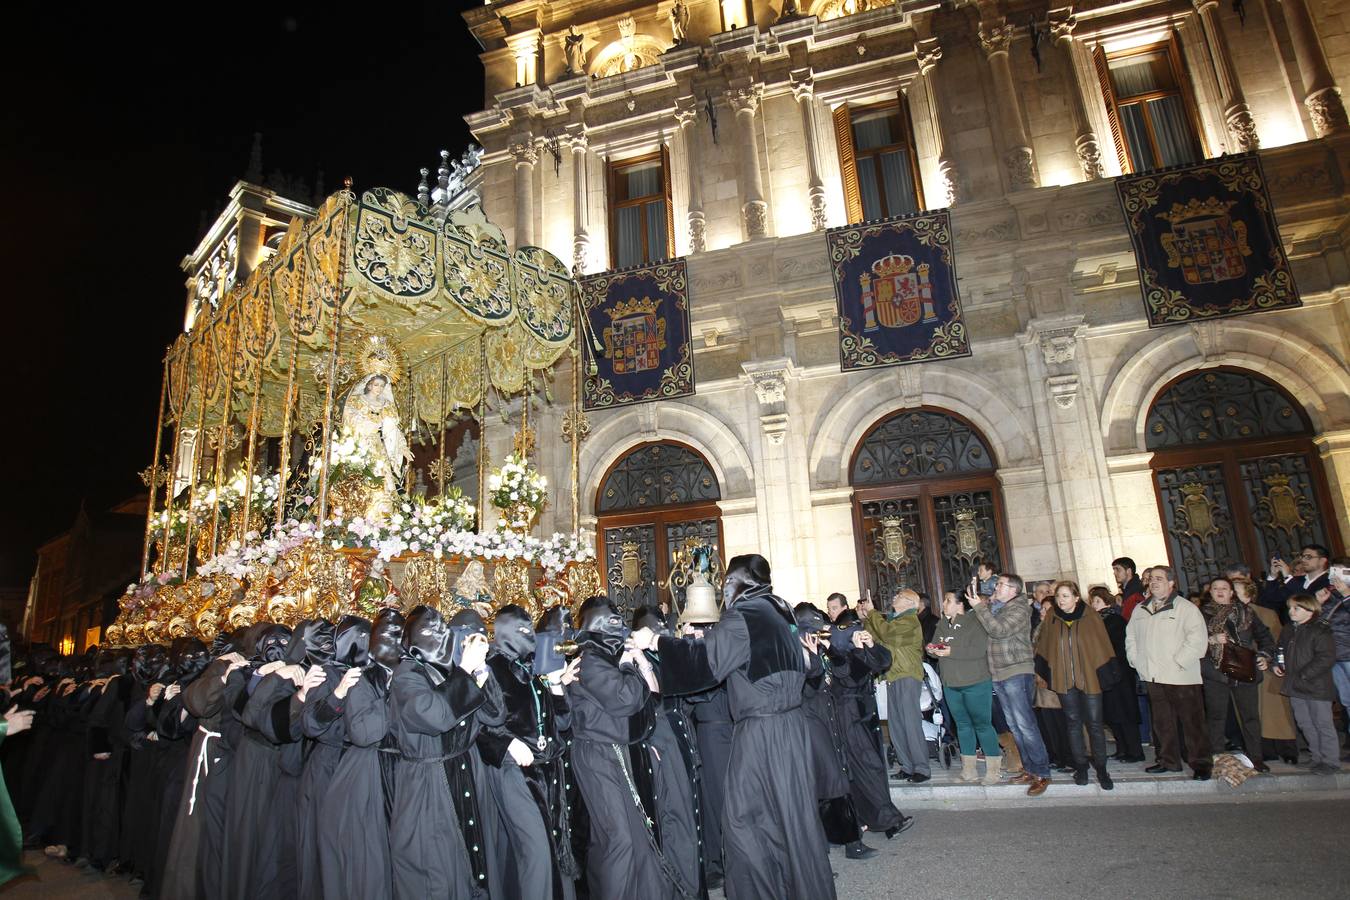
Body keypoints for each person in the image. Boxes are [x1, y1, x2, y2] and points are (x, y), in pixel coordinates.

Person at [631, 554, 837, 900]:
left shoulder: (744, 615)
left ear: (741, 582)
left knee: (744, 820)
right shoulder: (780, 609)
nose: (724, 588)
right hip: (791, 727)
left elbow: (705, 665)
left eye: (728, 581)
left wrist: (655, 642)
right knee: (791, 819)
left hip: (762, 733)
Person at [388, 604, 498, 900]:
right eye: (427, 631)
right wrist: (463, 673)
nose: (436, 637)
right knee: (436, 871)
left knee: (473, 865)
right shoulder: (406, 675)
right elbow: (434, 716)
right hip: (427, 783)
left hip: (464, 771)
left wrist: (480, 672)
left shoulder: (446, 673)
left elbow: (494, 716)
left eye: (440, 630)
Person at [318, 608, 403, 900]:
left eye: (400, 634)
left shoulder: (412, 676)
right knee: (369, 865)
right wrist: (392, 693)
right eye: (386, 634)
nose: (394, 641)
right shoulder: (362, 680)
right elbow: (364, 733)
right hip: (367, 776)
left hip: (404, 775)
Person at [794, 604, 874, 861]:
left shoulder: (818, 648)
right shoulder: (796, 653)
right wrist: (812, 655)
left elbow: (843, 673)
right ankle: (851, 842)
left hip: (829, 719)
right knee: (832, 781)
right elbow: (811, 684)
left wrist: (831, 651)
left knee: (833, 779)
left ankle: (837, 838)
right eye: (813, 631)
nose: (817, 635)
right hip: (811, 723)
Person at [966, 574, 1052, 796]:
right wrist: (984, 605)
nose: (997, 587)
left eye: (1002, 584)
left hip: (1016, 670)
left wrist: (980, 608)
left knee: (1025, 724)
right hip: (999, 672)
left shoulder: (1020, 608)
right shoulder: (997, 607)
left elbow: (999, 630)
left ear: (1014, 590)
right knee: (1014, 725)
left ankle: (1042, 772)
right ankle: (1029, 768)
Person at [826, 610, 908, 837]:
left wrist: (871, 645)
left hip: (864, 714)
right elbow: (852, 678)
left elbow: (884, 661)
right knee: (867, 766)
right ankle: (888, 820)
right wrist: (860, 653)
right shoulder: (835, 654)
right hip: (848, 716)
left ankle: (873, 818)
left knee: (872, 767)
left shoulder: (854, 648)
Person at [1126, 566, 1212, 780]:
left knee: (1192, 722)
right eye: (1152, 579)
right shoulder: (1141, 609)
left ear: (1172, 583)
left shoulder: (1185, 608)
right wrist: (1136, 660)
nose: (1154, 582)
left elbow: (1197, 640)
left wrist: (1179, 662)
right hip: (1153, 675)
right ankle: (1168, 760)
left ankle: (1200, 763)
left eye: (1159, 578)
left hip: (1181, 675)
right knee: (1162, 722)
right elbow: (1131, 638)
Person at [1035, 582, 1118, 789]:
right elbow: (1044, 647)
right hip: (1065, 680)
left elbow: (1102, 646)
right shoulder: (1052, 619)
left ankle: (1101, 768)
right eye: (1058, 597)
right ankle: (1081, 767)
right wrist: (1048, 673)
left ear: (1076, 597)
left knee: (1095, 725)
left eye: (1065, 596)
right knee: (1072, 723)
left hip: (1089, 678)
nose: (1060, 600)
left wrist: (1104, 673)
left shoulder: (1091, 617)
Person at [1199, 577, 1275, 771]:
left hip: (1245, 670)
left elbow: (1265, 637)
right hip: (1215, 672)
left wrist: (1264, 656)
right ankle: (1216, 755)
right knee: (1216, 716)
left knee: (1250, 716)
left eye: (1224, 588)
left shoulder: (1247, 612)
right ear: (1211, 592)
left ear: (1232, 592)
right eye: (1215, 588)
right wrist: (1211, 639)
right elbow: (1191, 640)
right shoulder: (1201, 614)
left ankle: (1256, 758)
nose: (1219, 591)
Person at [927, 590, 1001, 784]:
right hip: (951, 683)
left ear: (960, 604)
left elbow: (978, 650)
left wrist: (950, 650)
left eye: (948, 600)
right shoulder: (943, 624)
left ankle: (993, 770)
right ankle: (969, 769)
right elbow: (936, 648)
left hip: (975, 682)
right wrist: (932, 649)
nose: (943, 603)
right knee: (962, 725)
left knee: (982, 725)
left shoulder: (975, 621)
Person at [863, 588, 929, 783]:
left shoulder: (910, 621)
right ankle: (907, 766)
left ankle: (922, 768)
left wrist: (874, 613)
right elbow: (876, 635)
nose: (894, 598)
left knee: (910, 723)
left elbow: (888, 634)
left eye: (898, 596)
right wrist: (867, 617)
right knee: (896, 724)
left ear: (909, 602)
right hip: (893, 675)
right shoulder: (894, 620)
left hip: (907, 676)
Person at [1232, 576, 1299, 764]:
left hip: (1266, 668)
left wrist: (1270, 660)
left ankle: (1287, 750)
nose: (1233, 594)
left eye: (1236, 590)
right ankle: (1262, 749)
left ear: (1249, 593)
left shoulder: (1265, 613)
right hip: (1242, 668)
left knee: (1276, 711)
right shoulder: (1228, 614)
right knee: (1250, 712)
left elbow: (1279, 641)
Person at [1276, 593, 1341, 774]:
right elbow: (1280, 649)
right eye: (1290, 608)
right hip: (1296, 686)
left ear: (1310, 610)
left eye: (1296, 608)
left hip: (1316, 686)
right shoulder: (1289, 629)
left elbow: (1326, 657)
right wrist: (1277, 665)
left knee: (1322, 724)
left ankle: (1330, 761)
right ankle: (1317, 757)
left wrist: (1303, 675)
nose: (1291, 611)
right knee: (1305, 723)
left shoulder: (1320, 630)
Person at [1088, 588, 1143, 762]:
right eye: (1092, 602)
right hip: (1104, 674)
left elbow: (1117, 647)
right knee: (1113, 715)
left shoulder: (1115, 620)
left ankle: (1134, 751)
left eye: (1097, 601)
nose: (1093, 605)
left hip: (1119, 673)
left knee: (1125, 714)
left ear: (1107, 602)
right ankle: (1121, 748)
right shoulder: (1095, 622)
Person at [1260, 544, 1331, 620]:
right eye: (1302, 557)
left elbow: (1306, 601)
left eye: (1308, 557)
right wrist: (1273, 576)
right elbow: (1271, 599)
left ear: (1322, 561)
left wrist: (1288, 576)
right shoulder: (1297, 580)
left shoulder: (1330, 581)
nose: (1303, 560)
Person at [1112, 558, 1147, 622]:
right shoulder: (1127, 589)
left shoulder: (1137, 589)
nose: (1114, 573)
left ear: (1128, 571)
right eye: (1114, 570)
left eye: (1118, 570)